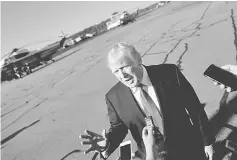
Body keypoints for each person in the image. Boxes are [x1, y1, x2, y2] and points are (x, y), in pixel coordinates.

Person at [79, 42, 215, 160]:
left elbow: (194, 108)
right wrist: (108, 143)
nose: (122, 76)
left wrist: (207, 141)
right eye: (116, 71)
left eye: (124, 67)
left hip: (188, 148)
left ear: (138, 60)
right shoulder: (113, 97)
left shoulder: (169, 73)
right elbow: (118, 128)